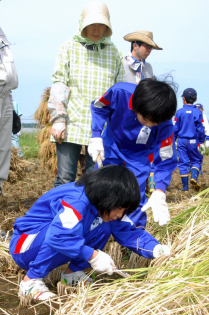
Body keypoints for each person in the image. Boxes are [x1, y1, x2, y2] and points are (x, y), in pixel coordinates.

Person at [9, 165, 170, 301]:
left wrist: (157, 249)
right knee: (61, 234)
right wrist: (93, 255)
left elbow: (130, 233)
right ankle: (30, 281)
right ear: (110, 198)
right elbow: (57, 236)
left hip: (45, 241)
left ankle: (72, 274)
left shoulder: (103, 205)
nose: (121, 215)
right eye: (120, 209)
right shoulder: (77, 200)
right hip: (25, 245)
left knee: (104, 227)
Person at [48, 0, 125, 188]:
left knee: (95, 181)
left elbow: (119, 92)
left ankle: (88, 216)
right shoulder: (69, 48)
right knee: (65, 179)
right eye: (92, 24)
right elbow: (60, 83)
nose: (96, 30)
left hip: (100, 128)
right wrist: (58, 118)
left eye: (101, 25)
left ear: (108, 27)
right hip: (71, 121)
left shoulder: (114, 53)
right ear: (83, 24)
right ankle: (62, 216)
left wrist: (118, 126)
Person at [88, 78, 178, 228]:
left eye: (155, 123)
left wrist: (160, 190)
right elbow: (99, 107)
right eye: (147, 120)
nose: (151, 125)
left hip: (139, 156)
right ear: (137, 106)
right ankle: (95, 229)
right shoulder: (119, 93)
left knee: (135, 196)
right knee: (102, 187)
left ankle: (134, 237)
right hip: (112, 145)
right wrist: (96, 135)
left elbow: (166, 158)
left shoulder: (164, 122)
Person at [123, 30, 162, 192]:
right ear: (135, 45)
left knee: (142, 155)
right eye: (147, 46)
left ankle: (140, 190)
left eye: (151, 47)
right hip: (125, 118)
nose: (149, 50)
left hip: (143, 120)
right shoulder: (121, 64)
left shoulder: (148, 69)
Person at [174, 88, 205, 192]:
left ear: (183, 99)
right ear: (195, 99)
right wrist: (201, 140)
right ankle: (194, 177)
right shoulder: (198, 112)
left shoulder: (179, 112)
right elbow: (200, 128)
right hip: (193, 141)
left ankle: (185, 187)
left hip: (181, 141)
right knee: (196, 160)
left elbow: (176, 128)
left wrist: (173, 139)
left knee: (183, 162)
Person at [0, 27, 18, 195]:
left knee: (3, 148)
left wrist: (12, 110)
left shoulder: (2, 34)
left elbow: (9, 74)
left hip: (4, 96)